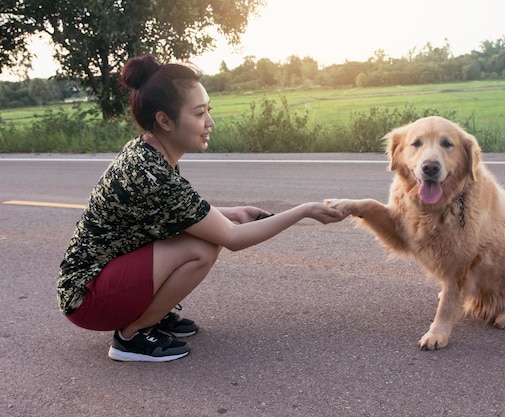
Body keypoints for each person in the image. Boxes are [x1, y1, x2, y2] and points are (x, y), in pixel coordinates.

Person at [57, 54, 348, 362]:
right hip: (87, 297)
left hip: (100, 278)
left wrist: (232, 211)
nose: (209, 122)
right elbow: (232, 238)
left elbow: (179, 212)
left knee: (202, 235)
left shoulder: (148, 151)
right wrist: (302, 211)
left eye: (209, 110)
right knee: (203, 247)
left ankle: (150, 314)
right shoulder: (150, 172)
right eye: (199, 113)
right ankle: (132, 335)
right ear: (165, 120)